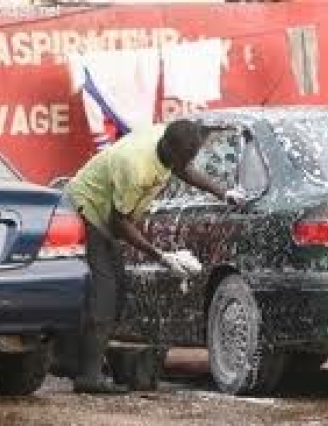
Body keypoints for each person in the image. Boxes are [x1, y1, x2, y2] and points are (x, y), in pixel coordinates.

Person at [63, 119, 245, 394]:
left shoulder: (169, 142)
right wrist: (161, 256)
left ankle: (73, 360)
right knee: (105, 294)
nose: (185, 164)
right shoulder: (134, 167)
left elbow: (183, 170)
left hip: (110, 215)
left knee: (119, 290)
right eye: (184, 158)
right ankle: (86, 376)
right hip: (88, 208)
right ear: (171, 150)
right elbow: (117, 223)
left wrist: (222, 192)